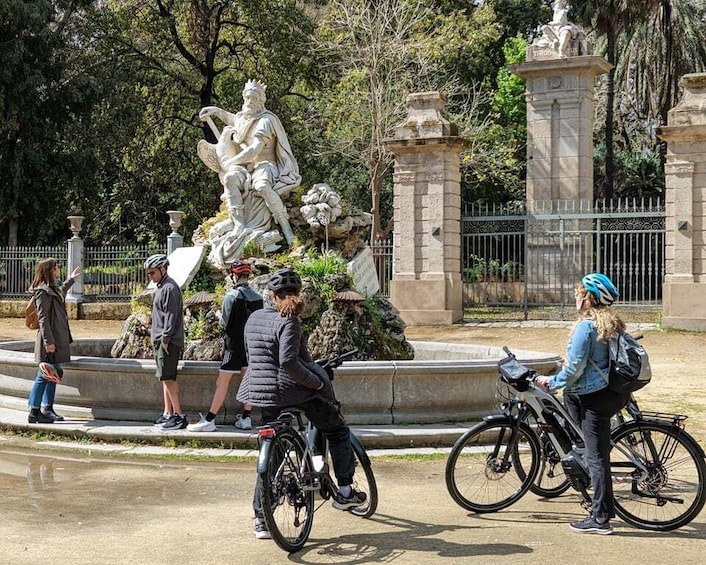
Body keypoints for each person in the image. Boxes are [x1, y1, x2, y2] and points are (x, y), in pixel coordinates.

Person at [236, 268, 366, 539]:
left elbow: (255, 357)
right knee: (337, 429)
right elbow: (288, 363)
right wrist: (317, 383)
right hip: (292, 392)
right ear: (297, 295)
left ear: (271, 295)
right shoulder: (289, 321)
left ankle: (262, 519)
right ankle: (344, 492)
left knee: (273, 454)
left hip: (261, 394)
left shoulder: (254, 318)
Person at [535, 273, 630, 535]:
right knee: (592, 450)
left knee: (597, 457)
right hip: (609, 392)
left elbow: (574, 368)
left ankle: (600, 519)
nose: (576, 296)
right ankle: (601, 505)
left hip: (592, 397)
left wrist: (550, 381)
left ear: (588, 299)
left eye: (579, 293)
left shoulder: (586, 327)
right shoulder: (611, 323)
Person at [197, 79, 302, 267]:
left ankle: (286, 229)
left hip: (265, 165)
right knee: (229, 178)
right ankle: (237, 223)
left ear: (261, 100)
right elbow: (234, 120)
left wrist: (232, 160)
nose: (250, 101)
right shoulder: (244, 117)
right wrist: (215, 111)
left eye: (254, 98)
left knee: (261, 186)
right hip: (246, 168)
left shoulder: (266, 120)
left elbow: (254, 150)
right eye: (247, 97)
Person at [187, 260, 262, 432]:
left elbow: (224, 324)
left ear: (234, 276)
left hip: (233, 346)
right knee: (247, 381)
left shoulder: (231, 297)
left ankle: (210, 419)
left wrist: (218, 313)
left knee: (222, 382)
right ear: (248, 275)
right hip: (250, 346)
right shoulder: (258, 298)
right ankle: (246, 418)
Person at [26, 258, 81, 423]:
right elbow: (43, 318)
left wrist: (71, 279)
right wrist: (48, 342)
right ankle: (34, 412)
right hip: (48, 341)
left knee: (52, 374)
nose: (59, 269)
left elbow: (61, 292)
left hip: (56, 339)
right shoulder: (42, 291)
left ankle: (47, 408)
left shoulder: (52, 289)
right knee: (43, 375)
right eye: (57, 267)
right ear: (51, 270)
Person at [144, 254, 187, 430]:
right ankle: (168, 413)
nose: (150, 276)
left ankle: (179, 416)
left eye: (152, 272)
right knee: (164, 377)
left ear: (163, 269)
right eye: (148, 273)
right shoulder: (162, 287)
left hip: (167, 341)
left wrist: (166, 339)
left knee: (169, 378)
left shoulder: (169, 288)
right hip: (161, 339)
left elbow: (171, 316)